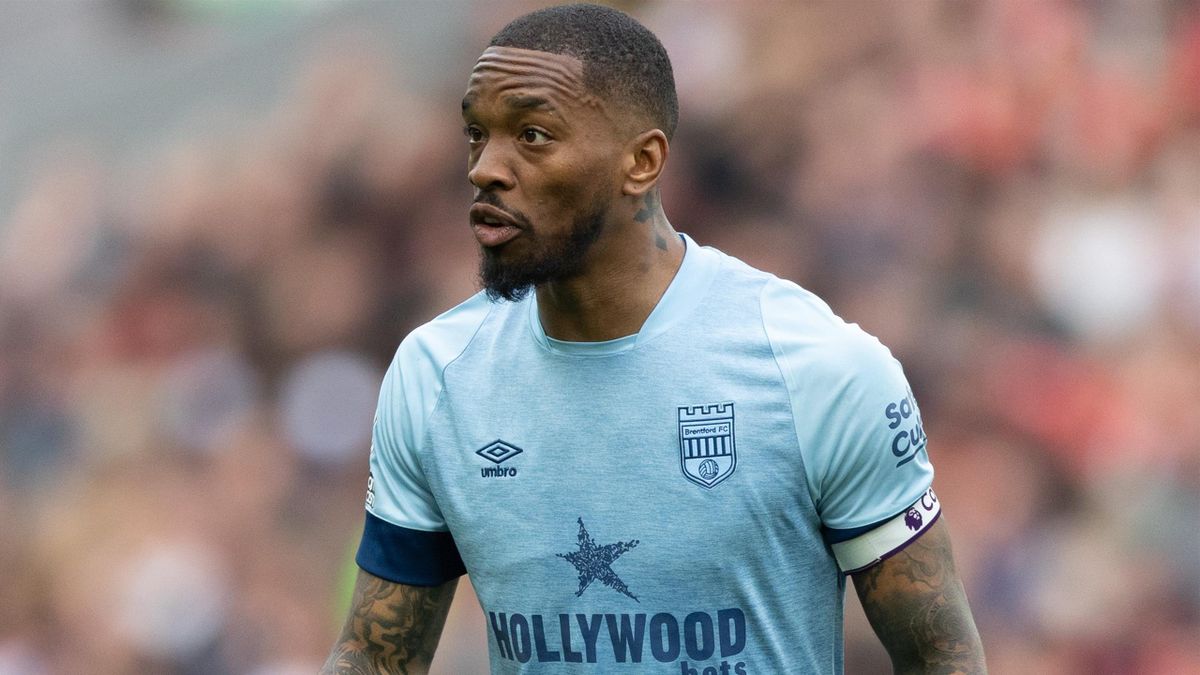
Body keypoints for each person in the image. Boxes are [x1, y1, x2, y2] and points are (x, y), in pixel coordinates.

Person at [322, 4, 987, 674]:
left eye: (532, 134)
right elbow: (374, 656)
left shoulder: (814, 368)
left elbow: (940, 652)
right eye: (476, 134)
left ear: (641, 162)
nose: (485, 168)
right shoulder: (437, 375)